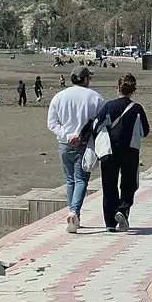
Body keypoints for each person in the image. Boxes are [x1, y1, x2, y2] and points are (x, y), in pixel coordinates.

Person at [81, 74, 150, 233]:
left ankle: (110, 222)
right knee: (129, 183)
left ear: (117, 88)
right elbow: (145, 132)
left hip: (108, 151)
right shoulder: (137, 108)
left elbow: (95, 126)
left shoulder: (108, 106)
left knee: (109, 185)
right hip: (130, 150)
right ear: (133, 91)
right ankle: (123, 209)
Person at [47, 67, 106, 233]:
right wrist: (80, 135)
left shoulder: (59, 97)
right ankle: (75, 212)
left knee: (71, 179)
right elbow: (102, 121)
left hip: (65, 144)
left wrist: (67, 135)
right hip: (85, 143)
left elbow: (52, 123)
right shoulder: (94, 97)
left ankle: (73, 212)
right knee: (81, 179)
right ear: (85, 79)